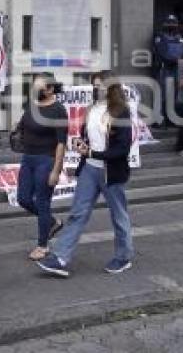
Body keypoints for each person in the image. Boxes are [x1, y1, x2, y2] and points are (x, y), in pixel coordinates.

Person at [36, 72, 134, 278]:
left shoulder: (121, 112)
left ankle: (123, 257)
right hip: (89, 169)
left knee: (118, 215)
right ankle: (60, 257)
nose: (97, 89)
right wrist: (82, 144)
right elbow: (86, 136)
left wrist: (92, 152)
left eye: (101, 85)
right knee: (77, 213)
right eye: (95, 85)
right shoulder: (91, 109)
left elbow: (122, 148)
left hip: (111, 171)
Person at [15, 73, 67, 261]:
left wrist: (56, 170)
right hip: (27, 159)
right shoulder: (32, 105)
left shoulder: (58, 110)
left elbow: (62, 143)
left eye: (39, 87)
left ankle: (43, 245)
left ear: (50, 89)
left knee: (43, 203)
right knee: (23, 198)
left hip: (47, 159)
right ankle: (52, 221)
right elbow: (23, 125)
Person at [153, 15, 183, 126]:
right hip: (164, 68)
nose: (172, 25)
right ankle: (160, 120)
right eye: (169, 23)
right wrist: (174, 59)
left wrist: (178, 59)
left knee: (173, 94)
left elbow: (182, 50)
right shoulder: (160, 36)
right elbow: (161, 52)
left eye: (174, 23)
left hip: (175, 68)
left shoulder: (179, 36)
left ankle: (171, 118)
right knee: (162, 94)